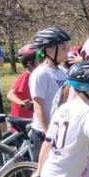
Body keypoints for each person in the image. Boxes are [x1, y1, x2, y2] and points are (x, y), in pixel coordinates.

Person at [28, 26, 71, 161]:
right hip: (44, 132)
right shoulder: (41, 74)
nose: (67, 51)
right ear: (49, 50)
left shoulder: (63, 71)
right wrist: (49, 134)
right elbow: (38, 107)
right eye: (63, 48)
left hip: (61, 131)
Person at [7, 44, 39, 119]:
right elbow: (10, 94)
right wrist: (20, 102)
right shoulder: (26, 76)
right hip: (21, 116)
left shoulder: (38, 76)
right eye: (38, 59)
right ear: (29, 63)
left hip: (32, 115)